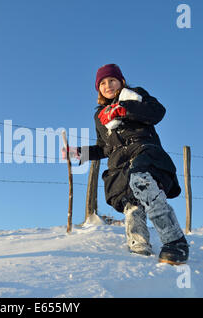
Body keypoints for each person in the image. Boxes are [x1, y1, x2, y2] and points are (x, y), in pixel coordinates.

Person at [63, 63, 189, 265]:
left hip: (144, 151)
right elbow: (104, 147)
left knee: (141, 182)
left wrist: (123, 110)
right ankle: (139, 249)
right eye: (102, 83)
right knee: (131, 204)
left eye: (112, 80)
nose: (107, 85)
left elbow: (157, 112)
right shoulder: (99, 116)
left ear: (121, 81)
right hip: (119, 164)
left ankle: (175, 241)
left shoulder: (133, 96)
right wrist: (80, 152)